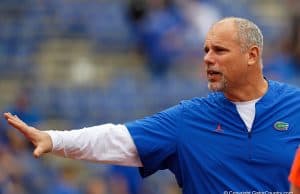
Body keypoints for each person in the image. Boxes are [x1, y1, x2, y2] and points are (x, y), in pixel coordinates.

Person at [3, 17, 300, 193]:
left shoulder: (296, 106)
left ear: (252, 55)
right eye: (205, 50)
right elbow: (117, 138)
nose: (208, 58)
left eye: (220, 50)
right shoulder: (188, 119)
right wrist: (54, 139)